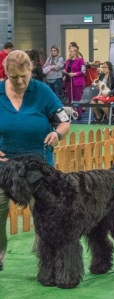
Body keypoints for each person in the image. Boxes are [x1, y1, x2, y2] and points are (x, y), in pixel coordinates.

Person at [0, 50, 70, 271]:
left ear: (31, 71)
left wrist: (57, 134)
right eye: (14, 77)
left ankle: (47, 261)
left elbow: (64, 121)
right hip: (4, 167)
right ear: (5, 73)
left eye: (24, 76)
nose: (20, 81)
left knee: (47, 216)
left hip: (38, 168)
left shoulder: (43, 91)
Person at [62, 46, 86, 119]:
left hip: (77, 82)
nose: (70, 53)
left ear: (75, 52)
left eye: (72, 51)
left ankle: (79, 114)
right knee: (69, 98)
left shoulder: (80, 60)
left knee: (77, 98)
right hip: (69, 81)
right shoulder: (68, 61)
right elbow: (67, 69)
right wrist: (65, 74)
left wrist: (75, 74)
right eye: (69, 51)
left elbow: (83, 71)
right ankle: (71, 114)